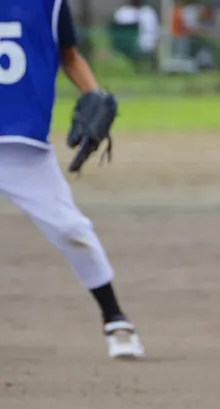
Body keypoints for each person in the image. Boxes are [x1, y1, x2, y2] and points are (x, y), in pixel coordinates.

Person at [0, 0, 145, 358]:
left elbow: (69, 55)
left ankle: (115, 319)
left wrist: (93, 94)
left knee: (71, 230)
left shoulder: (50, 4)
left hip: (22, 146)